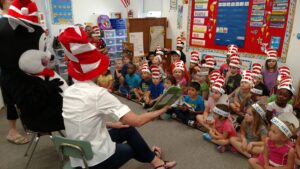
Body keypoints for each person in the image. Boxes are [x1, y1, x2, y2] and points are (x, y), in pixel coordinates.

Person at [59, 27, 176, 169]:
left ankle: (157, 163)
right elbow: (137, 121)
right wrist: (161, 110)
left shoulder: (69, 91)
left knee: (127, 129)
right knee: (133, 147)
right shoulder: (98, 94)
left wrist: (111, 124)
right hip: (94, 160)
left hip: (77, 155)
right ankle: (155, 160)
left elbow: (81, 122)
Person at [0, 0, 29, 145]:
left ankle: (29, 123)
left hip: (23, 66)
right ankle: (12, 131)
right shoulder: (2, 22)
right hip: (7, 68)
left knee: (25, 95)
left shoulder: (19, 20)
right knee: (10, 99)